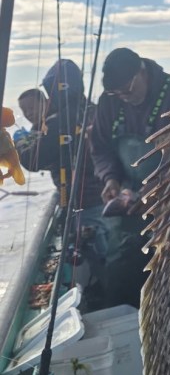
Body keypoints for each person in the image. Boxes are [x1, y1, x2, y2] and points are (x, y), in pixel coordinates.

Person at [90, 47, 170, 308]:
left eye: (128, 90)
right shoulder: (109, 102)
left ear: (142, 70)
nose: (124, 98)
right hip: (131, 200)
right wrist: (110, 179)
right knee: (121, 266)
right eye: (117, 94)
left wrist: (157, 192)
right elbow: (101, 148)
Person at [16, 61, 109, 308]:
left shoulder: (58, 123)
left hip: (84, 204)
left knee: (96, 258)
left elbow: (32, 160)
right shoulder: (94, 110)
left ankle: (101, 298)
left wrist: (20, 141)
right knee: (107, 252)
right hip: (106, 196)